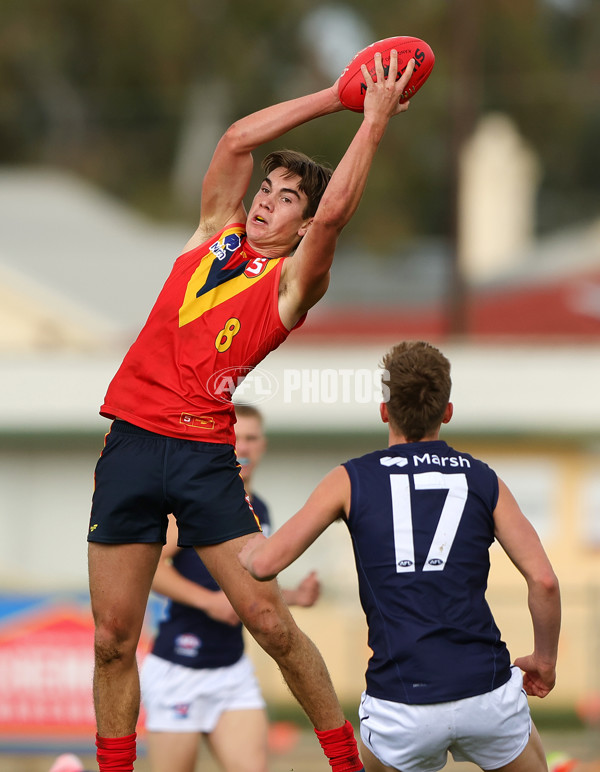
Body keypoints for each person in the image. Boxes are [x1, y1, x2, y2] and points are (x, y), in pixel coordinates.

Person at [87, 47, 417, 772]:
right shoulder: (212, 235)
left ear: (301, 227)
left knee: (269, 620)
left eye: (285, 198)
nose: (266, 199)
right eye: (266, 188)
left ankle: (343, 761)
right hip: (132, 445)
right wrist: (337, 96)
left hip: (205, 458)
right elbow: (237, 138)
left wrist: (374, 123)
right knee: (112, 638)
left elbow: (334, 217)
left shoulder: (292, 284)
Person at [239, 340, 562, 772]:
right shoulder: (484, 480)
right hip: (485, 693)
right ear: (447, 411)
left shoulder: (349, 480)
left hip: (401, 702)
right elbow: (544, 581)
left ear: (384, 410)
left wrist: (242, 538)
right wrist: (544, 661)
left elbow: (264, 565)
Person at [140, 405, 320, 772]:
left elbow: (249, 588)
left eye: (251, 438)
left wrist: (297, 597)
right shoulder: (192, 503)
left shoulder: (262, 509)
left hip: (232, 669)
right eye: (235, 438)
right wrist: (209, 602)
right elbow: (148, 569)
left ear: (263, 445)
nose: (243, 447)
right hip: (178, 666)